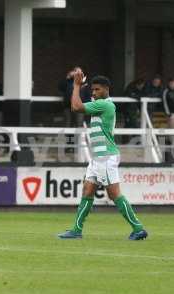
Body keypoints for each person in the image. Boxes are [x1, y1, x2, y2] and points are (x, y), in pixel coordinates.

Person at [58, 71, 148, 240]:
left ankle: (138, 228)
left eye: (97, 90)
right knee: (87, 190)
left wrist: (76, 85)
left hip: (106, 156)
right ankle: (77, 230)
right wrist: (80, 85)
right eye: (92, 90)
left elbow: (76, 107)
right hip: (98, 157)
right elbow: (78, 101)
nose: (93, 93)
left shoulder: (105, 105)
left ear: (106, 89)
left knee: (114, 194)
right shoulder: (98, 102)